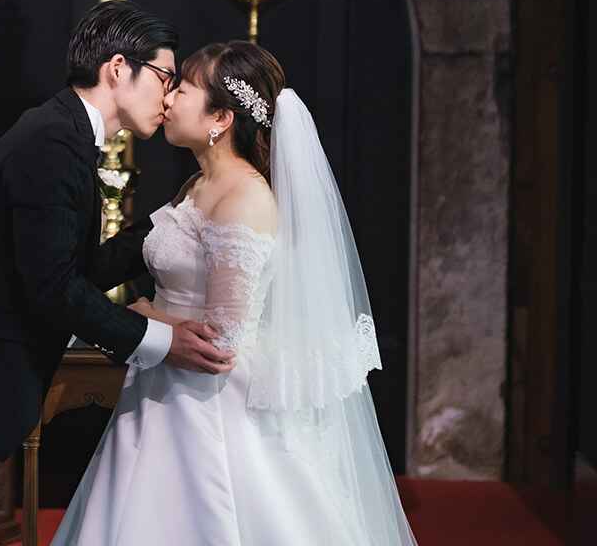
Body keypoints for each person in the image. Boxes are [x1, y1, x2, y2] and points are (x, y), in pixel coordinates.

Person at [0, 0, 237, 546]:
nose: (167, 95)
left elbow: (68, 268)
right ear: (118, 69)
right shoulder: (53, 140)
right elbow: (52, 288)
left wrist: (171, 224)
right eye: (164, 76)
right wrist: (162, 341)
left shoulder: (61, 132)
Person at [51, 40, 419, 546]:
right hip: (161, 384)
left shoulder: (244, 197)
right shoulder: (196, 186)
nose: (168, 98)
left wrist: (140, 314)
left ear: (220, 117)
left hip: (208, 402)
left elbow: (221, 341)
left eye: (181, 88)